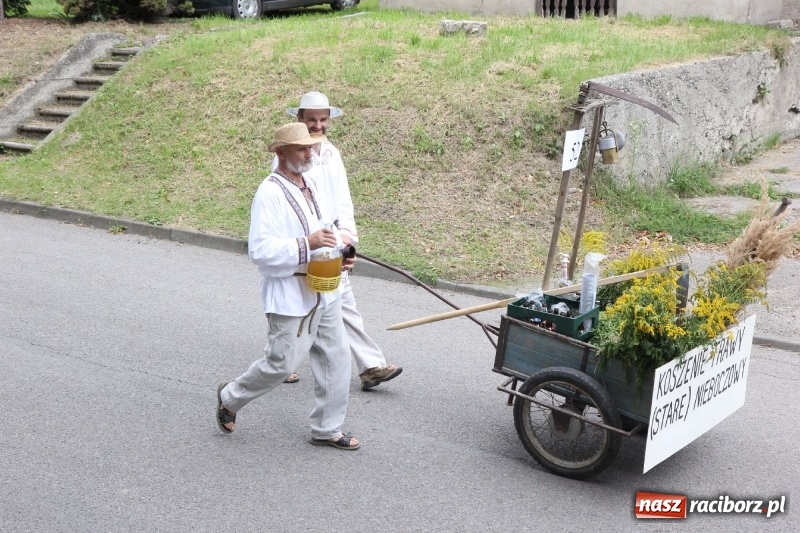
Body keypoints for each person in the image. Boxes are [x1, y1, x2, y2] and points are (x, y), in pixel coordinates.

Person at [216, 122, 360, 450]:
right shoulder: (269, 193)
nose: (309, 153)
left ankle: (327, 427)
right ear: (281, 153)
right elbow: (261, 251)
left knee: (337, 356)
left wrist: (344, 251)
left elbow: (328, 230)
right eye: (301, 148)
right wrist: (306, 244)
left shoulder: (310, 184)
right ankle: (229, 396)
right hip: (290, 293)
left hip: (325, 288)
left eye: (310, 147)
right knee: (281, 364)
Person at [279, 91, 402, 391]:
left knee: (341, 301)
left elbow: (343, 202)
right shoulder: (287, 155)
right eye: (311, 120)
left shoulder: (332, 154)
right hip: (305, 242)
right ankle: (281, 363)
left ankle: (371, 366)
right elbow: (283, 201)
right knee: (301, 304)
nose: (318, 126)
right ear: (299, 119)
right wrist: (303, 243)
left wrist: (347, 238)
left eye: (323, 120)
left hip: (332, 240)